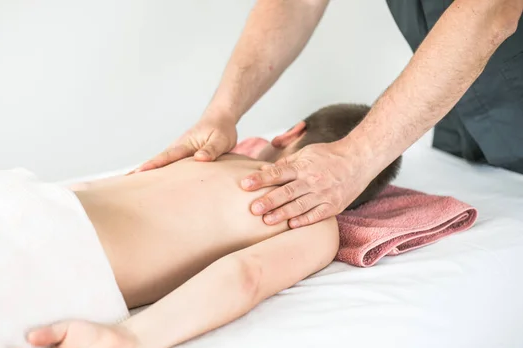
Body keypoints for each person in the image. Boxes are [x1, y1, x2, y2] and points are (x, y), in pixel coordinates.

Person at [12, 104, 400, 348]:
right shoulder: (315, 227)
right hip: (58, 259)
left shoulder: (214, 153)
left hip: (14, 201)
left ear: (289, 134)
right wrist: (131, 340)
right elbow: (245, 277)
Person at [134, 0, 523, 229]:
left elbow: (489, 9)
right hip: (464, 109)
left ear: (291, 135)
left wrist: (357, 158)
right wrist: (222, 110)